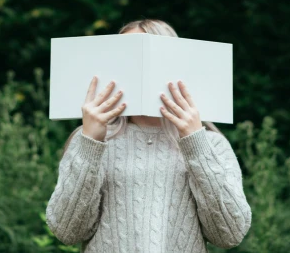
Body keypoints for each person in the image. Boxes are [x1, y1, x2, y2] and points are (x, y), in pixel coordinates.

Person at [46, 19, 251, 252]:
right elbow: (66, 231)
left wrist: (195, 141)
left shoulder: (211, 144)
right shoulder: (88, 141)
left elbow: (231, 234)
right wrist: (91, 142)